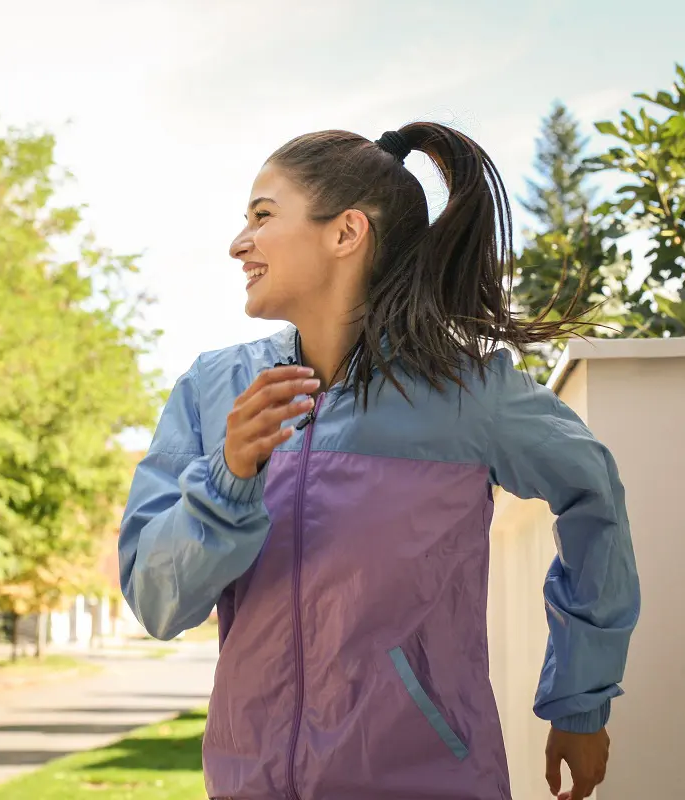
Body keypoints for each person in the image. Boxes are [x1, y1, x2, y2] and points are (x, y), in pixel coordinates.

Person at [119, 123, 640, 800]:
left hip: (428, 783)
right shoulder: (213, 390)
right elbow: (157, 602)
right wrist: (228, 477)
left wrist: (580, 698)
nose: (238, 243)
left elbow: (593, 492)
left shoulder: (466, 394)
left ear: (346, 232)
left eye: (263, 216)